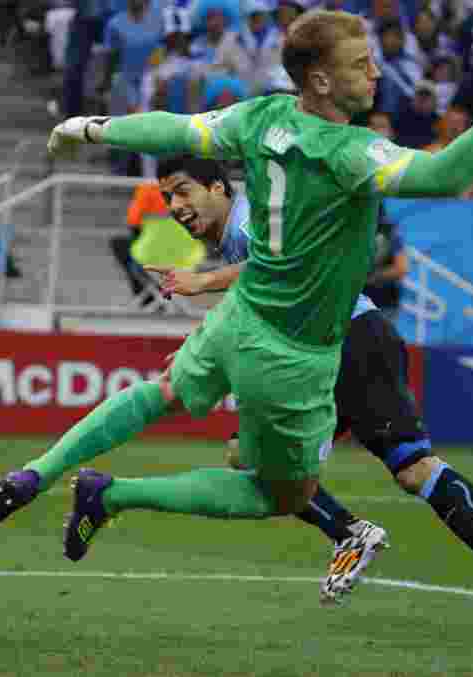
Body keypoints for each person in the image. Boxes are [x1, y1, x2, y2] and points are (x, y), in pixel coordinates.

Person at [0, 11, 473, 647]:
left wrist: (91, 127)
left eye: (181, 194)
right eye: (359, 63)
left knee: (182, 406)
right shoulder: (350, 151)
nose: (375, 70)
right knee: (297, 483)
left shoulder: (262, 119)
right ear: (322, 83)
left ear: (215, 185)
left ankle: (47, 472)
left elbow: (176, 128)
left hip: (269, 324)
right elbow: (442, 175)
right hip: (300, 350)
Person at [147, 154, 391, 605]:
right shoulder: (234, 232)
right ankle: (350, 532)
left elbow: (276, 266)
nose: (174, 205)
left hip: (343, 338)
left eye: (182, 192)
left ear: (218, 188)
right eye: (166, 198)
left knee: (407, 464)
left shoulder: (243, 227)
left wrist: (200, 284)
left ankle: (353, 532)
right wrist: (197, 347)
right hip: (331, 341)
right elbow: (254, 300)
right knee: (252, 458)